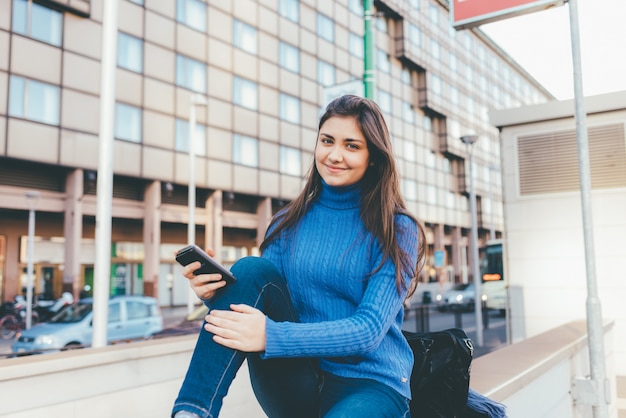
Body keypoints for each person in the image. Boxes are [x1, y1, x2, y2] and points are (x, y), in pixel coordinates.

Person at [172, 94, 426, 418]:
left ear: (373, 157)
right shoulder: (287, 222)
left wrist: (270, 335)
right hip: (297, 377)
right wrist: (214, 295)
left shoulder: (397, 228)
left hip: (371, 384)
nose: (334, 155)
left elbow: (368, 331)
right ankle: (193, 412)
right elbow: (263, 298)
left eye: (351, 145)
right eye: (327, 141)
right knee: (251, 270)